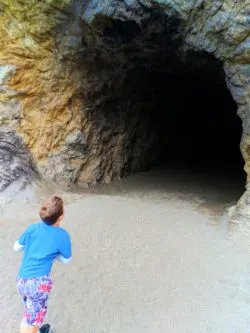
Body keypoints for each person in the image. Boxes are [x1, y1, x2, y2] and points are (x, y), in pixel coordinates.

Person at [14, 196, 72, 333]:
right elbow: (66, 259)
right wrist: (53, 253)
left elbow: (16, 247)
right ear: (61, 216)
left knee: (30, 313)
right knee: (31, 322)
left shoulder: (32, 228)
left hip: (22, 279)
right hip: (39, 283)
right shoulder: (62, 235)